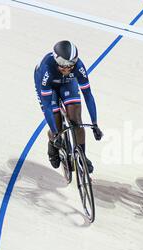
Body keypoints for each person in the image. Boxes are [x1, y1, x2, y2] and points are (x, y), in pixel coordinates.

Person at [34, 40, 103, 173]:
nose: (66, 69)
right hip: (48, 85)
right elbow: (47, 106)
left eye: (70, 66)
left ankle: (82, 156)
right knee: (57, 124)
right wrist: (55, 133)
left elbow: (88, 95)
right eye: (63, 66)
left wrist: (95, 123)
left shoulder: (79, 67)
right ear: (56, 61)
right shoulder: (47, 69)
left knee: (76, 120)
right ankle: (51, 141)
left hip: (67, 83)